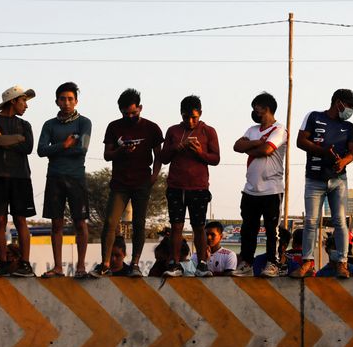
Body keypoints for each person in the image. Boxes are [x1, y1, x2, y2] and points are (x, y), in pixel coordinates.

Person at [91, 88, 163, 277]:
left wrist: (154, 175)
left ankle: (136, 263)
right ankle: (105, 263)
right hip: (120, 182)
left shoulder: (152, 128)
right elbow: (107, 155)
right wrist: (121, 151)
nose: (130, 116)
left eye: (133, 112)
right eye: (125, 113)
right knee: (110, 222)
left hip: (142, 181)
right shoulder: (114, 127)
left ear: (140, 108)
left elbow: (159, 155)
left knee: (139, 223)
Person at [290, 89, 353, 279]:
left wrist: (343, 161)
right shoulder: (314, 117)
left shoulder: (350, 127)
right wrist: (322, 152)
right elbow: (300, 141)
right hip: (314, 178)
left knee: (340, 221)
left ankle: (342, 263)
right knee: (311, 221)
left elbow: (352, 152)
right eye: (350, 105)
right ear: (338, 103)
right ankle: (307, 262)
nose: (351, 109)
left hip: (339, 180)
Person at [160, 95, 220, 278]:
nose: (190, 121)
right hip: (176, 186)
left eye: (194, 117)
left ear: (200, 113)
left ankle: (202, 264)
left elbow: (216, 159)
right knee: (176, 226)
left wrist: (200, 152)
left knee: (199, 226)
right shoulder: (173, 131)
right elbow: (163, 158)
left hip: (199, 187)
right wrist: (178, 147)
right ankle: (175, 263)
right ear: (181, 114)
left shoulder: (208, 131)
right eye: (186, 117)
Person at [37, 82, 92, 279]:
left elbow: (82, 149)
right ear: (57, 101)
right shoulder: (49, 124)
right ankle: (58, 267)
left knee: (80, 223)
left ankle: (81, 266)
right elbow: (41, 150)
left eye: (70, 99)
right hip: (54, 177)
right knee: (56, 224)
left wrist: (57, 149)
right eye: (63, 99)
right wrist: (65, 144)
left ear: (76, 101)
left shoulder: (84, 122)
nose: (67, 102)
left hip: (76, 177)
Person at [232, 92, 288, 278]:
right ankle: (246, 262)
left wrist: (251, 148)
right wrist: (255, 143)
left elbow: (267, 149)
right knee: (248, 229)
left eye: (256, 108)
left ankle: (273, 263)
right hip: (250, 190)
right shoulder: (252, 129)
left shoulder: (279, 129)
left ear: (265, 108)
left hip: (272, 189)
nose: (254, 111)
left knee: (272, 230)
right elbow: (237, 146)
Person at [0, 85, 36, 277]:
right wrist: (16, 140)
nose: (26, 106)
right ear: (13, 101)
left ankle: (25, 264)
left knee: (21, 219)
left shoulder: (25, 125)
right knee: (0, 220)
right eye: (23, 101)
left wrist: (5, 139)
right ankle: (3, 264)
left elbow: (28, 147)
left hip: (20, 176)